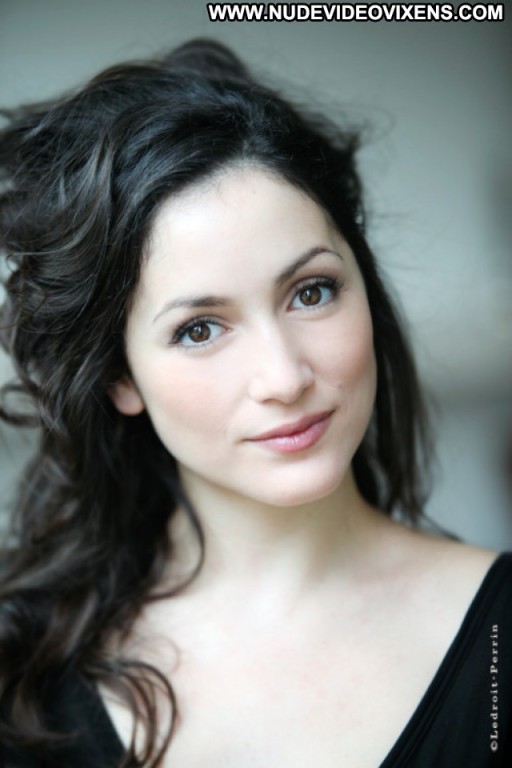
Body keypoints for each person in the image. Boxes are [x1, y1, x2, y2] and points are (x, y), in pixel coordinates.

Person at [0, 38, 510, 768]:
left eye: (312, 292)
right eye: (199, 329)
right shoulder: (27, 675)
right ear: (119, 376)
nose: (284, 376)